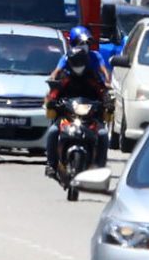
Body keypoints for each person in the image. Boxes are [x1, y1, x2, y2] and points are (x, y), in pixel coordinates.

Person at [43, 26, 112, 176]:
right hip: (68, 113)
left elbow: (103, 86)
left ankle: (99, 167)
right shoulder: (65, 75)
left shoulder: (93, 76)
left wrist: (107, 101)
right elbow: (55, 83)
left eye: (86, 43)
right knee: (53, 131)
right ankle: (51, 164)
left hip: (90, 114)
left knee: (103, 134)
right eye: (75, 62)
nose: (84, 47)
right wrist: (52, 99)